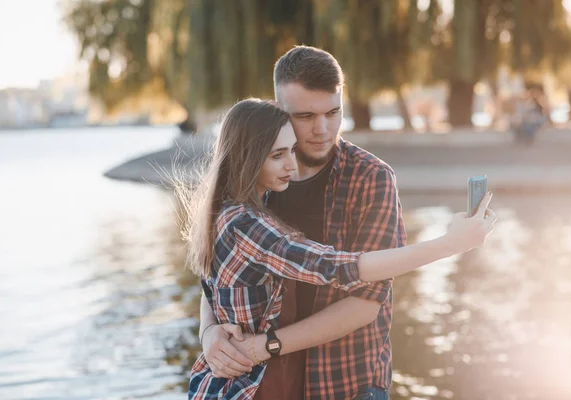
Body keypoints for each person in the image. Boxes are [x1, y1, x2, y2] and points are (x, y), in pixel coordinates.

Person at [178, 98, 496, 399]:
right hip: (251, 387)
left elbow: (210, 289)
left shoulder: (223, 211)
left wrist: (208, 333)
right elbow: (341, 267)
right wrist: (450, 244)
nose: (291, 164)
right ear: (246, 157)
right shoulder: (247, 226)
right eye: (277, 156)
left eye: (291, 150)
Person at [198, 45, 405, 400]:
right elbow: (218, 271)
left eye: (333, 112)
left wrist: (268, 346)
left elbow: (367, 302)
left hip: (347, 383)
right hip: (262, 383)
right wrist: (209, 333)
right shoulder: (255, 176)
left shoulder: (372, 179)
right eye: (306, 116)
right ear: (278, 110)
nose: (323, 129)